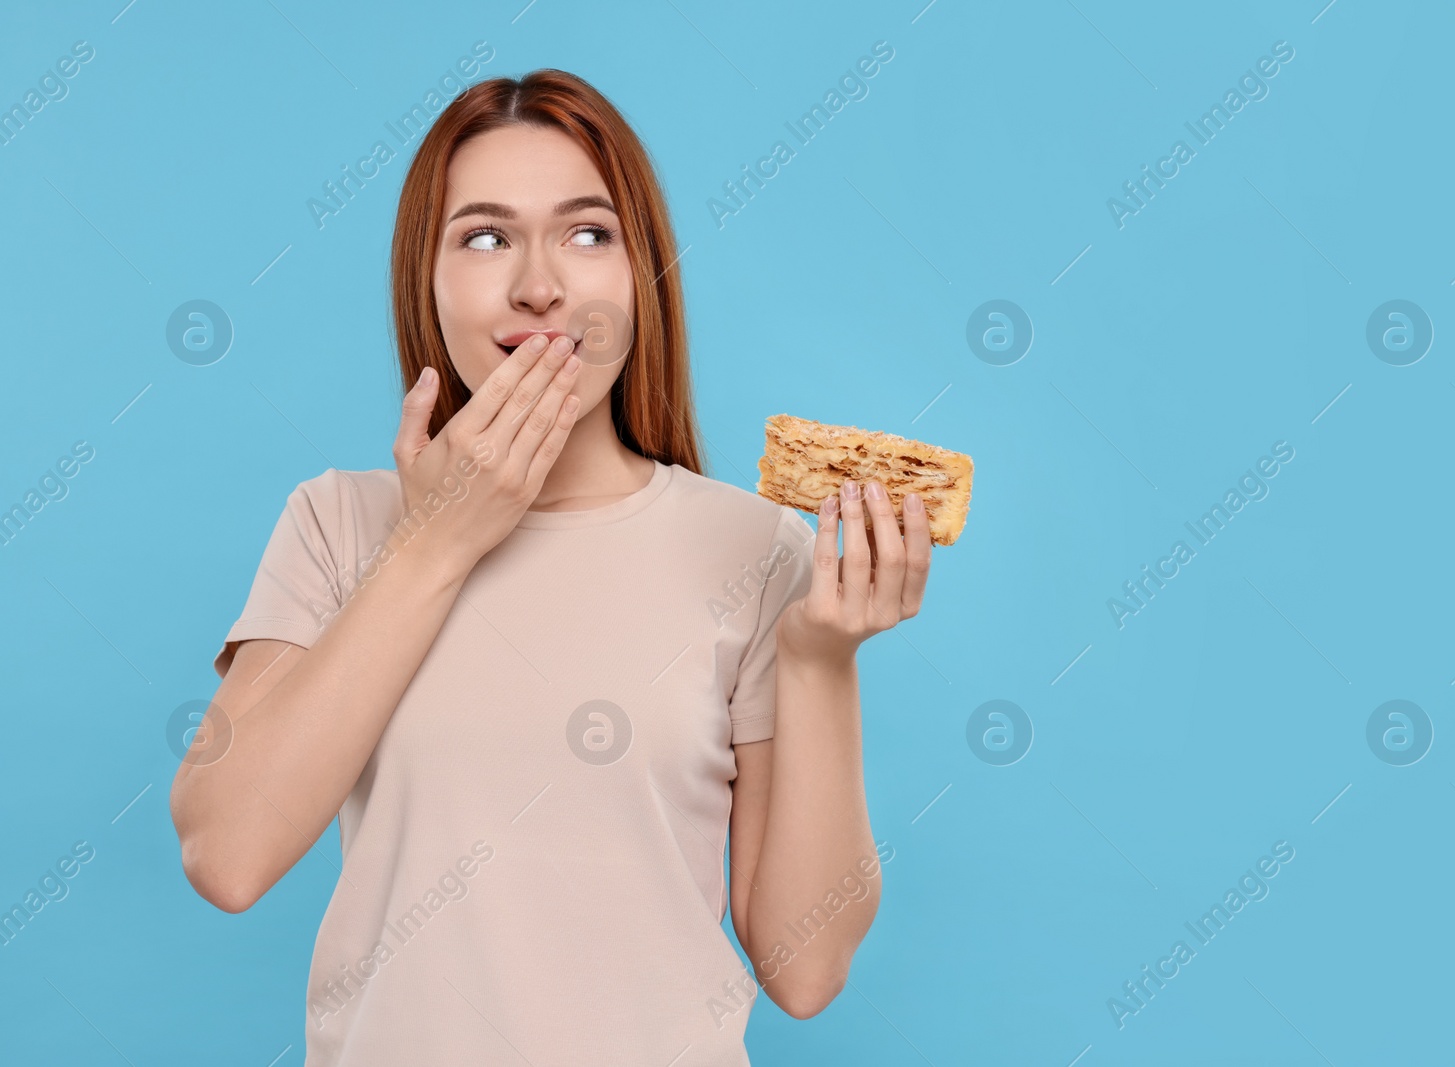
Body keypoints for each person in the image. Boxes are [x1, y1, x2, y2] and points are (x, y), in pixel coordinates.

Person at [169, 68, 934, 1065]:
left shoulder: (753, 549)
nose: (540, 283)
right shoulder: (337, 522)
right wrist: (434, 542)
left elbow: (805, 966)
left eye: (587, 232)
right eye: (484, 236)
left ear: (641, 274)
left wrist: (823, 657)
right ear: (426, 280)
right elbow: (225, 853)